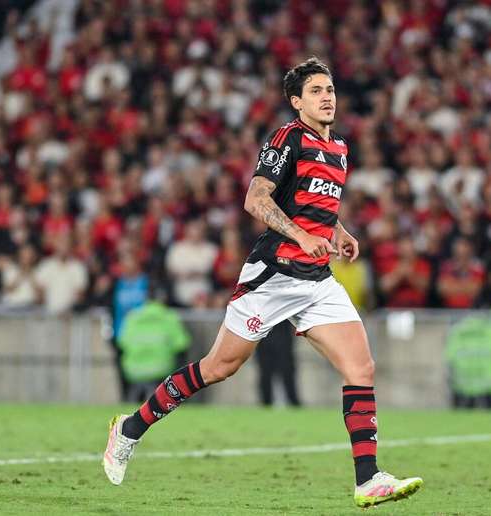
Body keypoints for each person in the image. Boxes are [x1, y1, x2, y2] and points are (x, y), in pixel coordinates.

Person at [103, 58, 422, 508]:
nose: (326, 97)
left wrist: (338, 231)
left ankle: (367, 478)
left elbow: (312, 205)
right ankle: (130, 428)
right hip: (274, 274)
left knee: (360, 369)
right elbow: (256, 199)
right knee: (219, 367)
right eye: (315, 91)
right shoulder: (287, 138)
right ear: (297, 102)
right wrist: (302, 236)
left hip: (317, 279)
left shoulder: (339, 147)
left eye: (330, 89)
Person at [255, 320, 300, 406]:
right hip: (264, 339)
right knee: (266, 373)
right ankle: (266, 403)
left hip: (283, 336)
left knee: (287, 372)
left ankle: (293, 402)